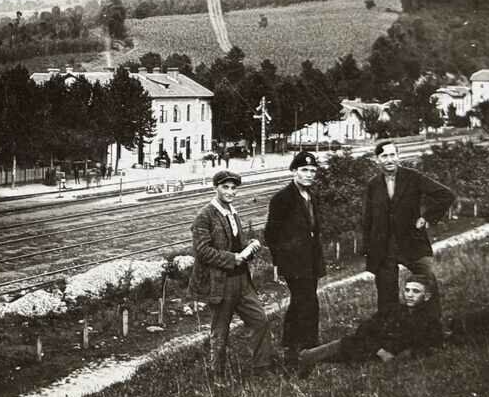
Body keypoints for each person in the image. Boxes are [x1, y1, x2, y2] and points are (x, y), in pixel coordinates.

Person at [189, 170, 272, 376]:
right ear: (215, 187)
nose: (230, 192)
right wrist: (231, 258)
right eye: (225, 187)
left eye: (234, 188)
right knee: (220, 331)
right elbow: (202, 250)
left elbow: (236, 243)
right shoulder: (205, 215)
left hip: (242, 280)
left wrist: (250, 246)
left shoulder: (233, 212)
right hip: (220, 282)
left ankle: (261, 368)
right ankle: (217, 375)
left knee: (260, 320)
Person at [362, 141, 455, 313]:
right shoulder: (373, 184)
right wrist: (368, 248)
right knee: (386, 293)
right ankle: (391, 331)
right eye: (384, 156)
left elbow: (446, 195)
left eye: (392, 155)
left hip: (412, 242)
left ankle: (432, 327)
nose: (389, 159)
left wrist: (427, 217)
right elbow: (368, 218)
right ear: (377, 160)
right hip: (384, 247)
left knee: (427, 285)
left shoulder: (413, 177)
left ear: (398, 156)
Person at [297, 274, 443, 371]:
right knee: (348, 343)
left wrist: (397, 358)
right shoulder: (394, 310)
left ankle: (307, 358)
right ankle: (307, 357)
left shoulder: (429, 320)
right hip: (371, 348)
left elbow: (425, 346)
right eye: (407, 290)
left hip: (381, 356)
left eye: (416, 291)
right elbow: (364, 328)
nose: (410, 295)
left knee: (347, 349)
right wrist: (380, 351)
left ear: (427, 296)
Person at [263, 151, 326, 362]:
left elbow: (314, 229)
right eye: (304, 170)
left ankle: (293, 344)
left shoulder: (312, 196)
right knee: (306, 299)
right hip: (294, 262)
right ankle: (307, 346)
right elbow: (271, 234)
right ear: (294, 171)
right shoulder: (282, 199)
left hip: (311, 260)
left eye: (312, 171)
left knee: (303, 300)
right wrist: (281, 261)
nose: (309, 174)